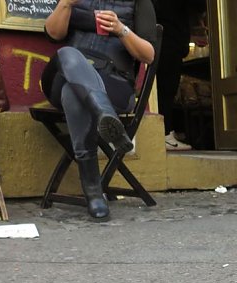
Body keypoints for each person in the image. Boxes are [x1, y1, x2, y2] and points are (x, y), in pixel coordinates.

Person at [42, 0, 157, 220]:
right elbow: (53, 34)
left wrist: (121, 30)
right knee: (67, 53)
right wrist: (66, 3)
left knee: (73, 94)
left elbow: (148, 55)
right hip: (63, 73)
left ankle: (93, 191)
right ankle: (104, 114)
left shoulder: (139, 2)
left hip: (112, 82)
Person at [152, 0, 205, 151]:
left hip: (159, 39)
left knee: (162, 90)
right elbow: (198, 5)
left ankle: (165, 132)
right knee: (166, 90)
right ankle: (165, 133)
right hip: (169, 39)